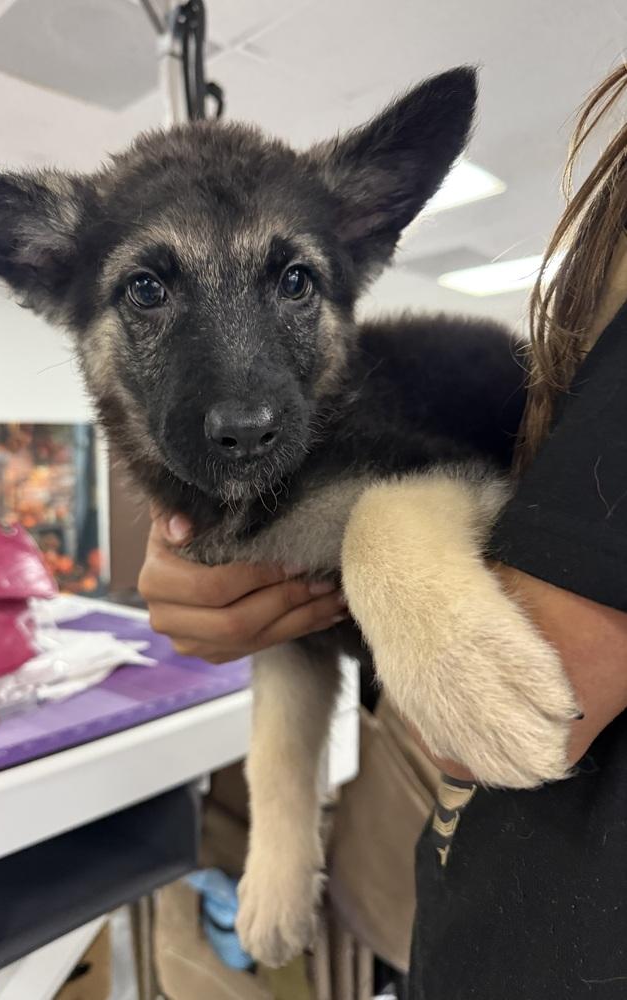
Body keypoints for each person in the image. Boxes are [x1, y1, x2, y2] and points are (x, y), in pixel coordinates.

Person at [138, 65, 627, 997]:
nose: (239, 403)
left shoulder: (383, 411)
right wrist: (285, 834)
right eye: (150, 294)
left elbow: (461, 509)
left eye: (291, 280)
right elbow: (293, 623)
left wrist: (384, 560)